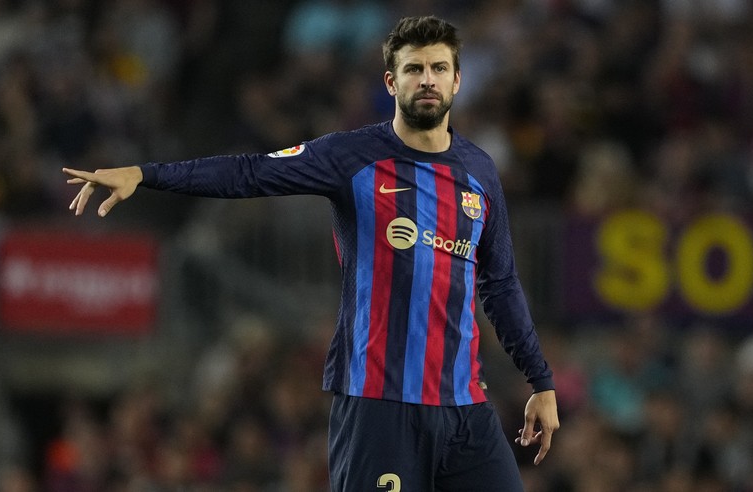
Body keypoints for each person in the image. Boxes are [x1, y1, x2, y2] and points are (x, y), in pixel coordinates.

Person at [63, 15, 559, 491]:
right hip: (379, 406)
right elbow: (250, 173)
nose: (426, 80)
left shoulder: (479, 171)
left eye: (438, 69)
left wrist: (540, 380)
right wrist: (146, 175)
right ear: (391, 82)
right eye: (414, 69)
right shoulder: (351, 157)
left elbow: (500, 283)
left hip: (466, 409)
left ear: (456, 82)